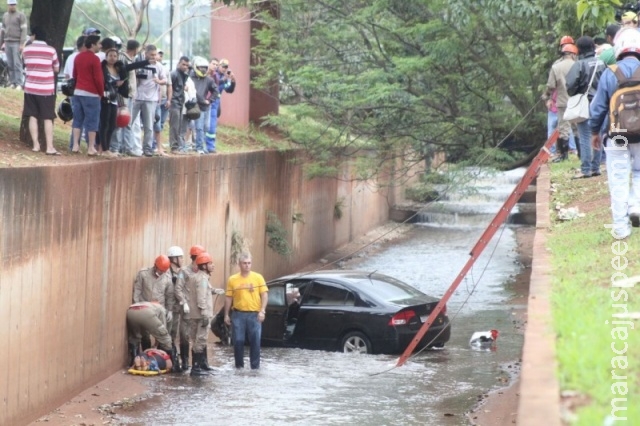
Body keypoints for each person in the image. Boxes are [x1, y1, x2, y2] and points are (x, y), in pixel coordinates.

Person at [590, 28, 640, 239]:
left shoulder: (610, 72)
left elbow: (598, 108)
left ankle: (620, 229)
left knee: (618, 178)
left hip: (617, 133)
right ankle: (636, 205)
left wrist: (594, 132)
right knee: (639, 171)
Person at [566, 36, 606, 179]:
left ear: (579, 49)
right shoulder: (602, 63)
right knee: (599, 134)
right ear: (593, 47)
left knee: (585, 136)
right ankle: (596, 167)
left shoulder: (579, 64)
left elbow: (570, 86)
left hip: (585, 103)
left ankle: (586, 169)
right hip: (601, 104)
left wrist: (576, 92)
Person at [224, 253, 268, 370]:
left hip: (255, 315)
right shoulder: (232, 279)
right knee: (238, 341)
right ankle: (239, 367)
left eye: (249, 263)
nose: (247, 265)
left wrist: (262, 311)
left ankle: (255, 368)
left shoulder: (258, 278)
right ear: (239, 264)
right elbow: (229, 297)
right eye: (244, 263)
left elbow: (264, 295)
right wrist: (226, 315)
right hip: (238, 314)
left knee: (255, 341)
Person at [21, 26, 60, 155]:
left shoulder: (26, 50)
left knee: (33, 116)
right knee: (47, 117)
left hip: (30, 87)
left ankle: (36, 145)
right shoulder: (51, 51)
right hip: (46, 89)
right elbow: (56, 69)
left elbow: (25, 65)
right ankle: (49, 147)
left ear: (35, 36)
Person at [129, 44, 167, 157]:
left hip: (151, 99)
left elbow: (165, 79)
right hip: (137, 97)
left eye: (155, 55)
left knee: (149, 126)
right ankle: (126, 145)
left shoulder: (159, 66)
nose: (154, 57)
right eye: (152, 55)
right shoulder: (139, 63)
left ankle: (147, 148)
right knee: (129, 122)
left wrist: (158, 81)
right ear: (146, 54)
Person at [542, 43, 577, 162]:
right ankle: (580, 153)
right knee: (578, 128)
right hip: (577, 101)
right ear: (573, 54)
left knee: (564, 129)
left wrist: (547, 96)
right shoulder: (578, 65)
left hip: (562, 101)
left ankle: (564, 155)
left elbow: (551, 85)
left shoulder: (556, 67)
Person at [182, 252, 216, 376]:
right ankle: (196, 368)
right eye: (210, 263)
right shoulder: (202, 279)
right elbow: (201, 297)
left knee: (196, 340)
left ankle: (198, 367)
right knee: (200, 340)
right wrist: (205, 314)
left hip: (194, 315)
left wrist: (214, 291)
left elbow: (201, 292)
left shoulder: (196, 277)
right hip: (201, 316)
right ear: (204, 266)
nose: (213, 266)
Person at [132, 255, 174, 350]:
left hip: (159, 311)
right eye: (160, 270)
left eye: (163, 271)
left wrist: (170, 310)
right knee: (145, 334)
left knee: (161, 333)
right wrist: (136, 305)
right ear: (155, 266)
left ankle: (160, 353)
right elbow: (137, 291)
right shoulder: (143, 274)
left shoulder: (167, 278)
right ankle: (146, 353)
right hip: (145, 309)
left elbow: (169, 296)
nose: (161, 273)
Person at [174, 244, 206, 371]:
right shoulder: (184, 272)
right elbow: (178, 288)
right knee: (184, 335)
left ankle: (200, 364)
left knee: (200, 336)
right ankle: (185, 362)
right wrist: (184, 302)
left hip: (199, 310)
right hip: (187, 310)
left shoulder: (203, 272)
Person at [71, 35, 103, 156]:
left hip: (78, 91)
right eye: (99, 44)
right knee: (92, 121)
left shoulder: (78, 57)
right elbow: (98, 79)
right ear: (93, 44)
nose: (100, 46)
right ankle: (90, 147)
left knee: (77, 119)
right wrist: (100, 92)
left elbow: (75, 74)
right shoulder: (95, 59)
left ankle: (75, 145)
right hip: (91, 93)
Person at [111, 39, 142, 156]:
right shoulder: (123, 59)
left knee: (127, 122)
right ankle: (115, 147)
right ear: (135, 49)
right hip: (123, 95)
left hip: (130, 95)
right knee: (120, 120)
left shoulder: (130, 59)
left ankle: (127, 147)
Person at [126, 301, 175, 368]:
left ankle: (134, 361)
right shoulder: (161, 309)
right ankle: (173, 365)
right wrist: (156, 345)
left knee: (135, 337)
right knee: (165, 338)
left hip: (131, 312)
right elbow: (162, 332)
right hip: (146, 313)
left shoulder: (148, 304)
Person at [205, 58, 236, 154]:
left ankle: (210, 146)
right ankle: (206, 145)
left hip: (217, 102)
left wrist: (233, 82)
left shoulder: (224, 76)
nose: (224, 69)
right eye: (223, 66)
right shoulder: (214, 75)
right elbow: (215, 84)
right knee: (208, 124)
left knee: (213, 125)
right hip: (210, 100)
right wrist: (224, 79)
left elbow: (229, 90)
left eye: (226, 67)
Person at [190, 56, 218, 154]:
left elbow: (215, 90)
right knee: (199, 127)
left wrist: (209, 100)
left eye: (205, 68)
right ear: (196, 67)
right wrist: (201, 100)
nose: (203, 70)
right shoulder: (190, 78)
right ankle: (199, 147)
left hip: (206, 106)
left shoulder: (209, 79)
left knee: (206, 127)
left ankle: (203, 145)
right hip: (196, 106)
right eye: (201, 68)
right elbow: (192, 92)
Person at [166, 245, 186, 372]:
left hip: (177, 308)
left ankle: (176, 361)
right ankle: (171, 361)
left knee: (174, 334)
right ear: (174, 259)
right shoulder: (167, 273)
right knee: (169, 334)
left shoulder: (180, 273)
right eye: (180, 258)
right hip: (169, 308)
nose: (182, 260)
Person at [0, 0, 27, 89]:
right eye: (11, 4)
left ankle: (19, 82)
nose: (12, 6)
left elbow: (24, 30)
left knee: (17, 63)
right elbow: (3, 30)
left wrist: (22, 43)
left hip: (16, 42)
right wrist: (1, 43)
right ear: (8, 5)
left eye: (14, 4)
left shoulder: (20, 15)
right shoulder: (5, 16)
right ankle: (13, 82)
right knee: (10, 63)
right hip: (7, 41)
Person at [168, 56, 191, 154]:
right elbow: (169, 87)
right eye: (183, 64)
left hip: (181, 102)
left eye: (187, 65)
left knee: (179, 126)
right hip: (174, 102)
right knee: (174, 125)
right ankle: (174, 147)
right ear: (179, 64)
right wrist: (170, 100)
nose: (185, 67)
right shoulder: (174, 74)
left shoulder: (183, 75)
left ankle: (178, 146)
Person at [153, 50, 169, 156]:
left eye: (160, 55)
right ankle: (151, 146)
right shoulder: (148, 66)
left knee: (159, 125)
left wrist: (169, 99)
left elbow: (168, 83)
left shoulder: (163, 68)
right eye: (156, 54)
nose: (159, 56)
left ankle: (158, 147)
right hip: (151, 101)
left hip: (161, 100)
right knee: (152, 125)